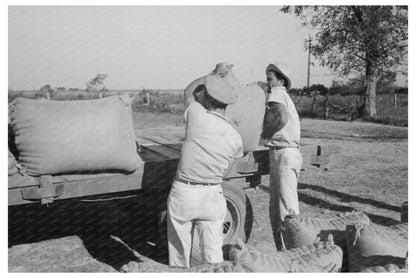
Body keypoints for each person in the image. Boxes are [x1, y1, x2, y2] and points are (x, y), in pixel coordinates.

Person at [167, 75, 244, 268]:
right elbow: (227, 172)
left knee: (179, 256)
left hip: (185, 192)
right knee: (213, 255)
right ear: (227, 105)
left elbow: (188, 92)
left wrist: (213, 75)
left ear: (207, 99)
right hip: (212, 194)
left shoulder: (196, 116)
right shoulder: (235, 137)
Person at [261, 62, 302, 250]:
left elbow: (281, 118)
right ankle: (286, 250)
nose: (268, 83)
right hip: (286, 152)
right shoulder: (283, 95)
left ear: (280, 80)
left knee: (285, 208)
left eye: (270, 79)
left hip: (283, 153)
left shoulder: (276, 93)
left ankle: (292, 252)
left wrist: (264, 134)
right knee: (281, 206)